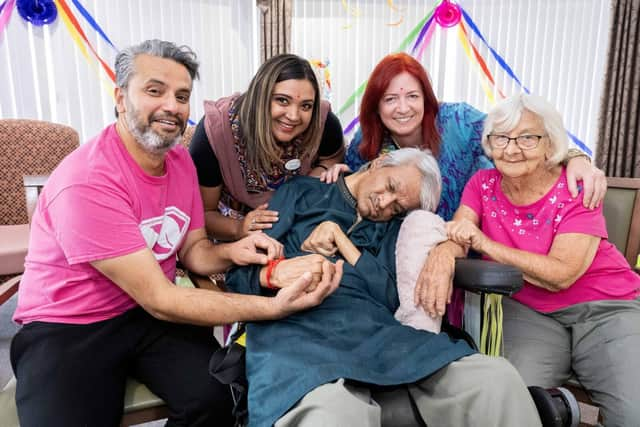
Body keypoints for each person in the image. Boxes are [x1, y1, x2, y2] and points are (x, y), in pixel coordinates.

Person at [10, 39, 340, 427]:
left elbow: (195, 249)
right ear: (120, 98)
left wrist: (235, 250)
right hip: (68, 324)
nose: (172, 105)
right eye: (154, 90)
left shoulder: (179, 160)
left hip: (144, 316)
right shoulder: (87, 181)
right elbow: (162, 299)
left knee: (221, 396)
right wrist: (274, 308)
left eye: (181, 95)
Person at [225, 147, 542, 427]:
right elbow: (239, 274)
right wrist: (275, 273)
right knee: (334, 413)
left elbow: (390, 297)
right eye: (391, 186)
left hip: (376, 336)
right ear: (378, 163)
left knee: (495, 380)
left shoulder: (391, 230)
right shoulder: (301, 193)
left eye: (398, 208)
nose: (385, 205)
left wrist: (342, 240)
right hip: (296, 328)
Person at [322, 52, 608, 319]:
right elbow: (356, 187)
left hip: (467, 252)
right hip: (393, 262)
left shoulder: (458, 121)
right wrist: (337, 171)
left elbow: (514, 138)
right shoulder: (366, 141)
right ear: (376, 105)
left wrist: (575, 157)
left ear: (427, 98)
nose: (403, 108)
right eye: (390, 99)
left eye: (412, 96)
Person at [446, 93, 640, 427]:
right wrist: (446, 247)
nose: (511, 148)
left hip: (605, 306)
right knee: (511, 406)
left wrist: (485, 242)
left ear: (550, 144)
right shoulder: (482, 184)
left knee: (634, 412)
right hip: (529, 310)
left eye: (527, 138)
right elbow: (459, 229)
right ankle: (563, 408)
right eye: (501, 138)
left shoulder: (576, 185)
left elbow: (561, 274)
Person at [189, 53, 344, 242]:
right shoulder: (216, 133)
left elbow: (331, 161)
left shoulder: (323, 122)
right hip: (235, 232)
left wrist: (305, 189)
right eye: (282, 100)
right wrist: (240, 228)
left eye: (306, 106)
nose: (294, 116)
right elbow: (203, 214)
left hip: (303, 223)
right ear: (259, 96)